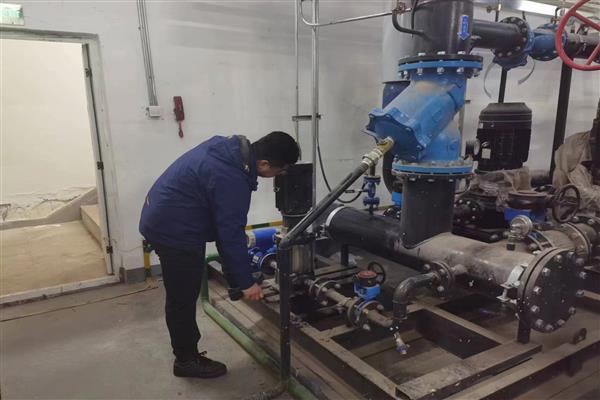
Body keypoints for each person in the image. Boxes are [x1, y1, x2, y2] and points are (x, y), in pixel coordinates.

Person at [139, 131, 300, 378]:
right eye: (280, 170)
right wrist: (246, 282)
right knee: (183, 296)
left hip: (168, 216)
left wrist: (236, 276)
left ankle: (187, 353)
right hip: (173, 231)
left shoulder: (231, 152)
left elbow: (223, 228)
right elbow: (230, 233)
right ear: (264, 164)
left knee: (187, 288)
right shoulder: (231, 177)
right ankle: (186, 360)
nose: (279, 176)